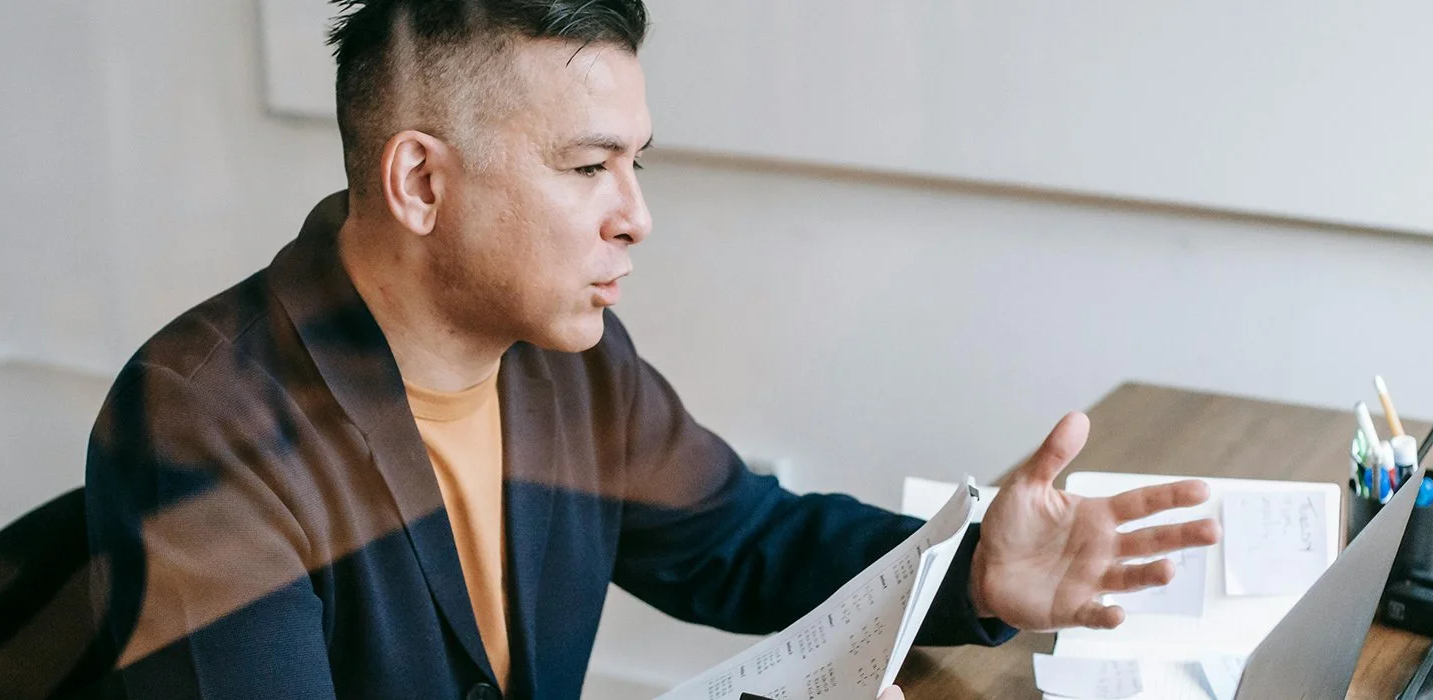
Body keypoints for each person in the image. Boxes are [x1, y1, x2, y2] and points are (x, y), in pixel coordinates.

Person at [82, 1, 1221, 697]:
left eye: (638, 161)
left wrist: (972, 569)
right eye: (588, 168)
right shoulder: (199, 422)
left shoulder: (567, 357)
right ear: (422, 181)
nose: (637, 213)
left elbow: (741, 540)